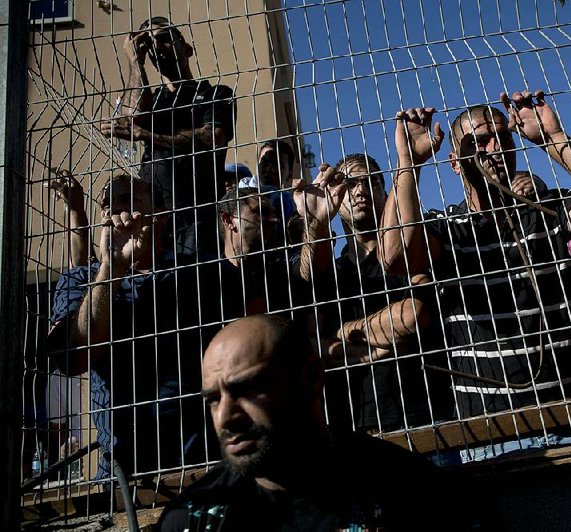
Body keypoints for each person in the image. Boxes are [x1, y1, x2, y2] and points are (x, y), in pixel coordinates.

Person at [378, 92, 571, 424]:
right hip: (496, 436)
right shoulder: (447, 230)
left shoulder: (551, 210)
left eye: (503, 138)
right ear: (455, 163)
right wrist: (409, 163)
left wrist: (553, 138)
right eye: (480, 141)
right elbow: (395, 256)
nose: (496, 148)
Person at [157, 315, 472, 531]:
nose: (226, 417)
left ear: (311, 377)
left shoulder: (407, 492)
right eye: (213, 399)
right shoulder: (192, 519)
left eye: (247, 388)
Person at [46, 175, 208, 479]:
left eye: (127, 200)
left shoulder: (197, 273)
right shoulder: (81, 280)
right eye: (106, 204)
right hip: (121, 470)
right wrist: (113, 267)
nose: (114, 211)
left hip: (199, 462)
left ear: (158, 214)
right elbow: (75, 358)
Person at [316, 153, 450, 433]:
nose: (361, 190)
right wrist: (380, 342)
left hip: (425, 420)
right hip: (355, 426)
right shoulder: (332, 273)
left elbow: (411, 317)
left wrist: (341, 332)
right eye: (350, 183)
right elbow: (315, 347)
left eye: (371, 182)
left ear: (386, 194)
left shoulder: (410, 254)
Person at [101, 16, 236, 260]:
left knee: (194, 285)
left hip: (197, 216)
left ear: (186, 48)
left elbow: (212, 136)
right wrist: (135, 61)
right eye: (149, 44)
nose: (157, 48)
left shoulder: (214, 93)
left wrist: (147, 135)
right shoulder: (154, 101)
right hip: (153, 218)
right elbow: (132, 117)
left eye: (163, 39)